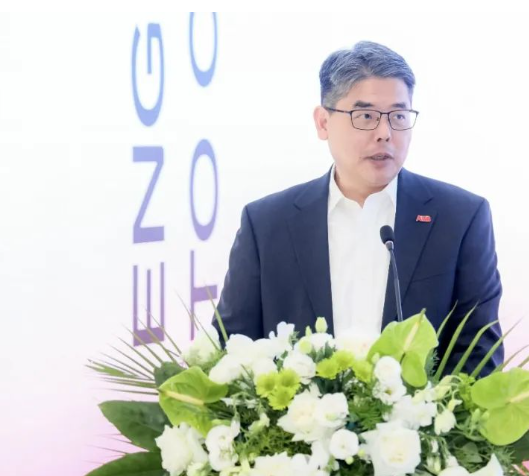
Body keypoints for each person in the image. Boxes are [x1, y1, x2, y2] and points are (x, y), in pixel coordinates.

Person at [213, 41, 503, 376]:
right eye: (365, 116)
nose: (384, 133)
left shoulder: (460, 218)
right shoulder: (266, 225)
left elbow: (479, 356)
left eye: (398, 116)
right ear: (323, 122)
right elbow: (231, 349)